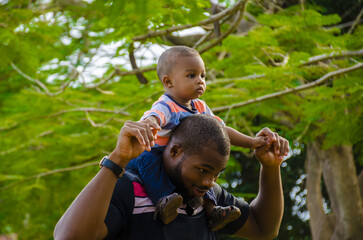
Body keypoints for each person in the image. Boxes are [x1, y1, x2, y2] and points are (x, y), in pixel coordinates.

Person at [54, 114, 289, 240]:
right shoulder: (130, 189)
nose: (209, 181)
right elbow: (69, 237)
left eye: (216, 174)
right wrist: (117, 159)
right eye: (203, 170)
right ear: (175, 151)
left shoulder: (209, 198)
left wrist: (270, 167)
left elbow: (264, 228)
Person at [127, 46, 274, 230]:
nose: (200, 81)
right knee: (148, 160)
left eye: (203, 76)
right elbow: (154, 117)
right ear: (168, 81)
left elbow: (221, 130)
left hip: (180, 159)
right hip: (154, 152)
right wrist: (150, 125)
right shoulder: (166, 105)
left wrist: (252, 142)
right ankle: (163, 201)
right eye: (191, 76)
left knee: (206, 174)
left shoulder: (200, 107)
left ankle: (213, 211)